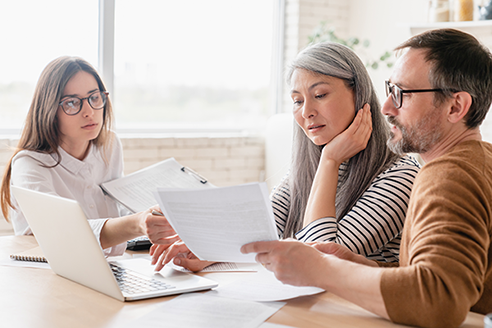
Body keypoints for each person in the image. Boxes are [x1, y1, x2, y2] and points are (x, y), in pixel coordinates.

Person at [241, 28, 492, 328]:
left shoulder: (449, 174)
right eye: (389, 90)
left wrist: (321, 269)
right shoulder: (478, 161)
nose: (385, 107)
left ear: (456, 106)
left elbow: (438, 299)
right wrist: (371, 267)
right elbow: (451, 278)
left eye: (402, 94)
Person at [151, 42, 420, 272]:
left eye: (320, 95)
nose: (306, 112)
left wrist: (329, 161)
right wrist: (208, 250)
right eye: (297, 100)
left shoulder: (402, 176)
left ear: (359, 94)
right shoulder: (307, 168)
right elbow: (261, 229)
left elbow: (321, 260)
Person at [0, 56, 178, 256]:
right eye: (72, 103)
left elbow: (118, 206)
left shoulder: (109, 145)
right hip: (54, 275)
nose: (89, 112)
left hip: (111, 266)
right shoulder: (30, 164)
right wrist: (137, 223)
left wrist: (157, 218)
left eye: (94, 98)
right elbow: (64, 234)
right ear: (49, 110)